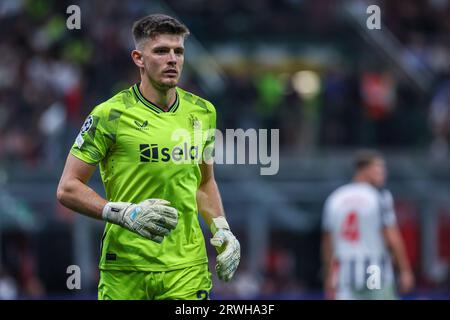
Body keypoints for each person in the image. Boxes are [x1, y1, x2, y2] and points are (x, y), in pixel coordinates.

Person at [57, 14, 240, 300]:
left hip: (186, 269)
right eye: (161, 51)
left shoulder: (203, 112)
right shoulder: (109, 115)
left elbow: (204, 184)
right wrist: (124, 213)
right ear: (139, 58)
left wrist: (223, 229)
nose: (172, 59)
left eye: (178, 51)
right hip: (125, 270)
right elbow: (68, 188)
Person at [321, 150, 414, 300]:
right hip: (375, 269)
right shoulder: (379, 197)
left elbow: (327, 242)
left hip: (344, 272)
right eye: (379, 168)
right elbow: (392, 236)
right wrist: (405, 270)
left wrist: (328, 275)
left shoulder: (335, 198)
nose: (384, 173)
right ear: (364, 170)